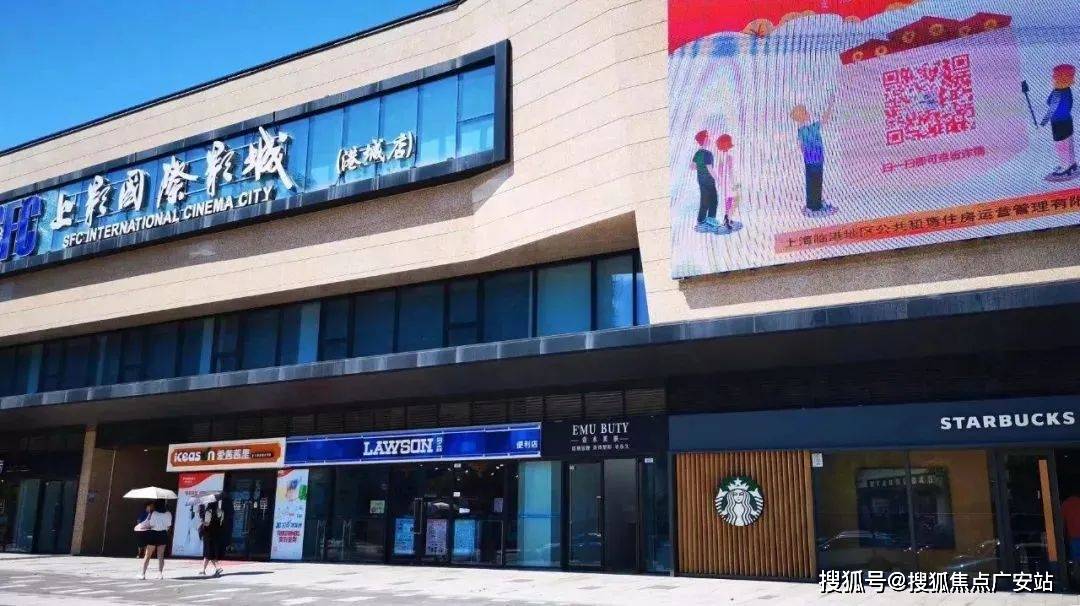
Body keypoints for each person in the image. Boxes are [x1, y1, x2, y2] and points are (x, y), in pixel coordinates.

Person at [791, 102, 837, 217]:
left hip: (810, 160)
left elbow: (802, 146)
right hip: (816, 160)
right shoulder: (811, 128)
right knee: (816, 182)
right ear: (803, 116)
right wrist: (830, 105)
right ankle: (816, 207)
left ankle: (813, 205)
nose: (808, 113)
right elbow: (825, 119)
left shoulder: (801, 130)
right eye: (805, 112)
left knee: (812, 182)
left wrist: (807, 156)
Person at [1041, 64, 1076, 178]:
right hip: (1067, 120)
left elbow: (1051, 108)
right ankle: (1072, 165)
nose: (1053, 77)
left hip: (1058, 122)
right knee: (1069, 142)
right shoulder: (1067, 90)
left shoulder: (1057, 92)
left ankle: (1065, 167)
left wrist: (1042, 123)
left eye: (1055, 76)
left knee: (1061, 144)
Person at [691, 130, 720, 233]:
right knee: (713, 199)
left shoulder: (698, 153)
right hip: (708, 179)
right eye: (708, 138)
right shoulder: (708, 154)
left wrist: (700, 166)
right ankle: (711, 219)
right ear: (706, 140)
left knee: (704, 198)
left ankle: (701, 220)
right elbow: (710, 169)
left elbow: (692, 167)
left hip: (700, 178)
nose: (710, 139)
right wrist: (717, 179)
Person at [140, 500, 172, 580]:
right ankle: (160, 573)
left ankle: (143, 574)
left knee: (148, 555)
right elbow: (169, 525)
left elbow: (151, 524)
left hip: (153, 533)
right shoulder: (168, 513)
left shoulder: (154, 513)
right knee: (161, 555)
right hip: (163, 534)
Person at [715, 134, 736, 231]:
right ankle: (727, 218)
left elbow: (719, 170)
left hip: (724, 181)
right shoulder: (729, 157)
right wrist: (733, 181)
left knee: (728, 199)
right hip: (728, 181)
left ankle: (727, 217)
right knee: (730, 199)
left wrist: (720, 180)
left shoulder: (721, 156)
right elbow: (730, 171)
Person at [200, 499, 225, 576]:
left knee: (209, 552)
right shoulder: (220, 511)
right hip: (216, 534)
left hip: (208, 534)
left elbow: (207, 524)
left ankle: (218, 568)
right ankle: (203, 570)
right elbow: (221, 522)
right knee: (208, 552)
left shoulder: (208, 511)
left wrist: (202, 522)